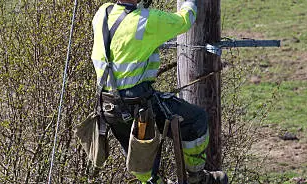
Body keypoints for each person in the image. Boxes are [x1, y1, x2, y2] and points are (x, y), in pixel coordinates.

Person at [89, 0, 227, 183]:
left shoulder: (102, 13)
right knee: (196, 120)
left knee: (139, 158)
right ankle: (197, 178)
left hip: (108, 106)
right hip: (137, 103)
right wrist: (189, 2)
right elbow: (185, 19)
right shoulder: (148, 20)